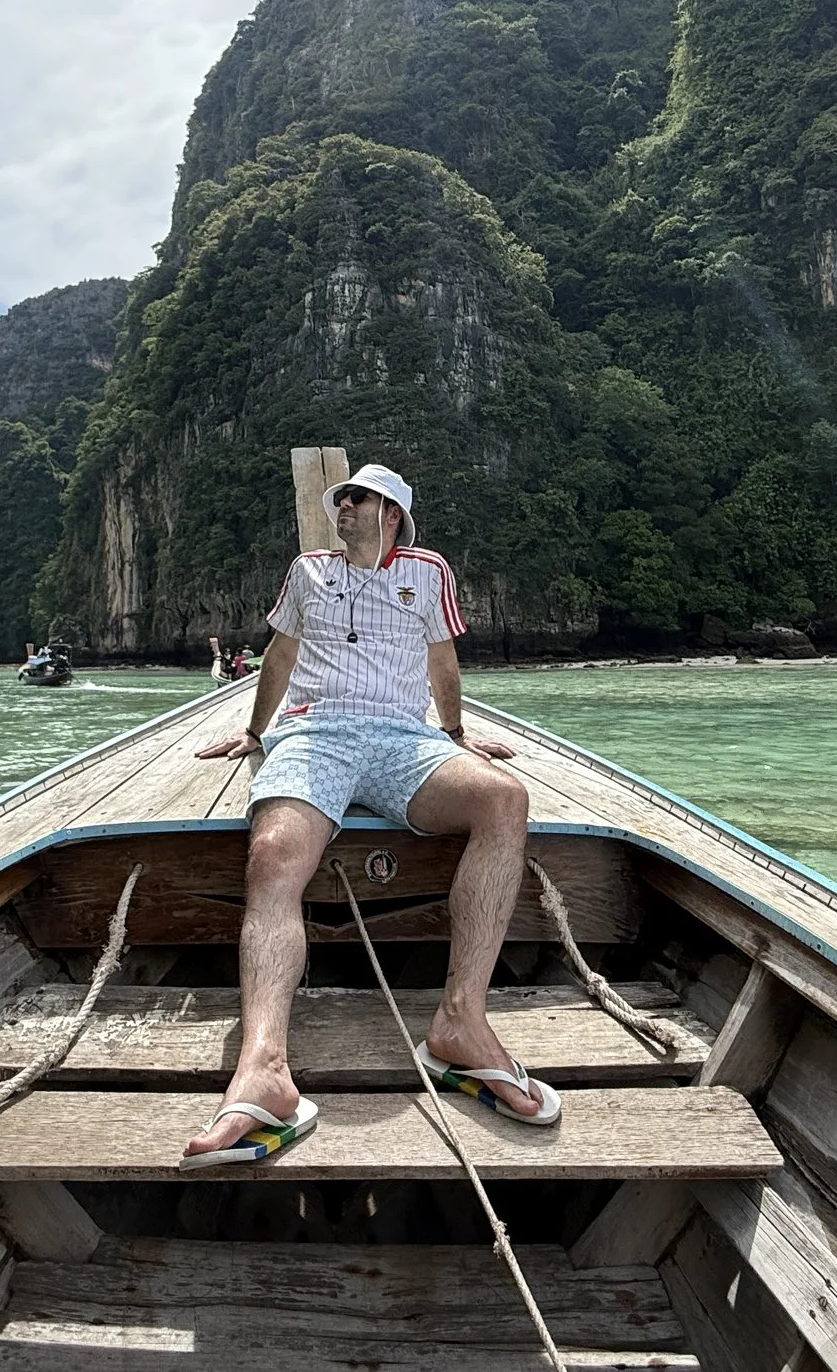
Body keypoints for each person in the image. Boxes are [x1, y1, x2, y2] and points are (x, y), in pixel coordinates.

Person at [179, 461, 555, 1168]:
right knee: (273, 854)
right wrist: (258, 733)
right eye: (340, 496)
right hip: (313, 731)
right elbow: (280, 653)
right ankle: (264, 1070)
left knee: (504, 797)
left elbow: (442, 659)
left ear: (391, 513)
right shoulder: (306, 571)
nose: (342, 506)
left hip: (401, 738)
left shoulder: (428, 571)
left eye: (358, 498)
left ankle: (460, 1025)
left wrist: (453, 731)